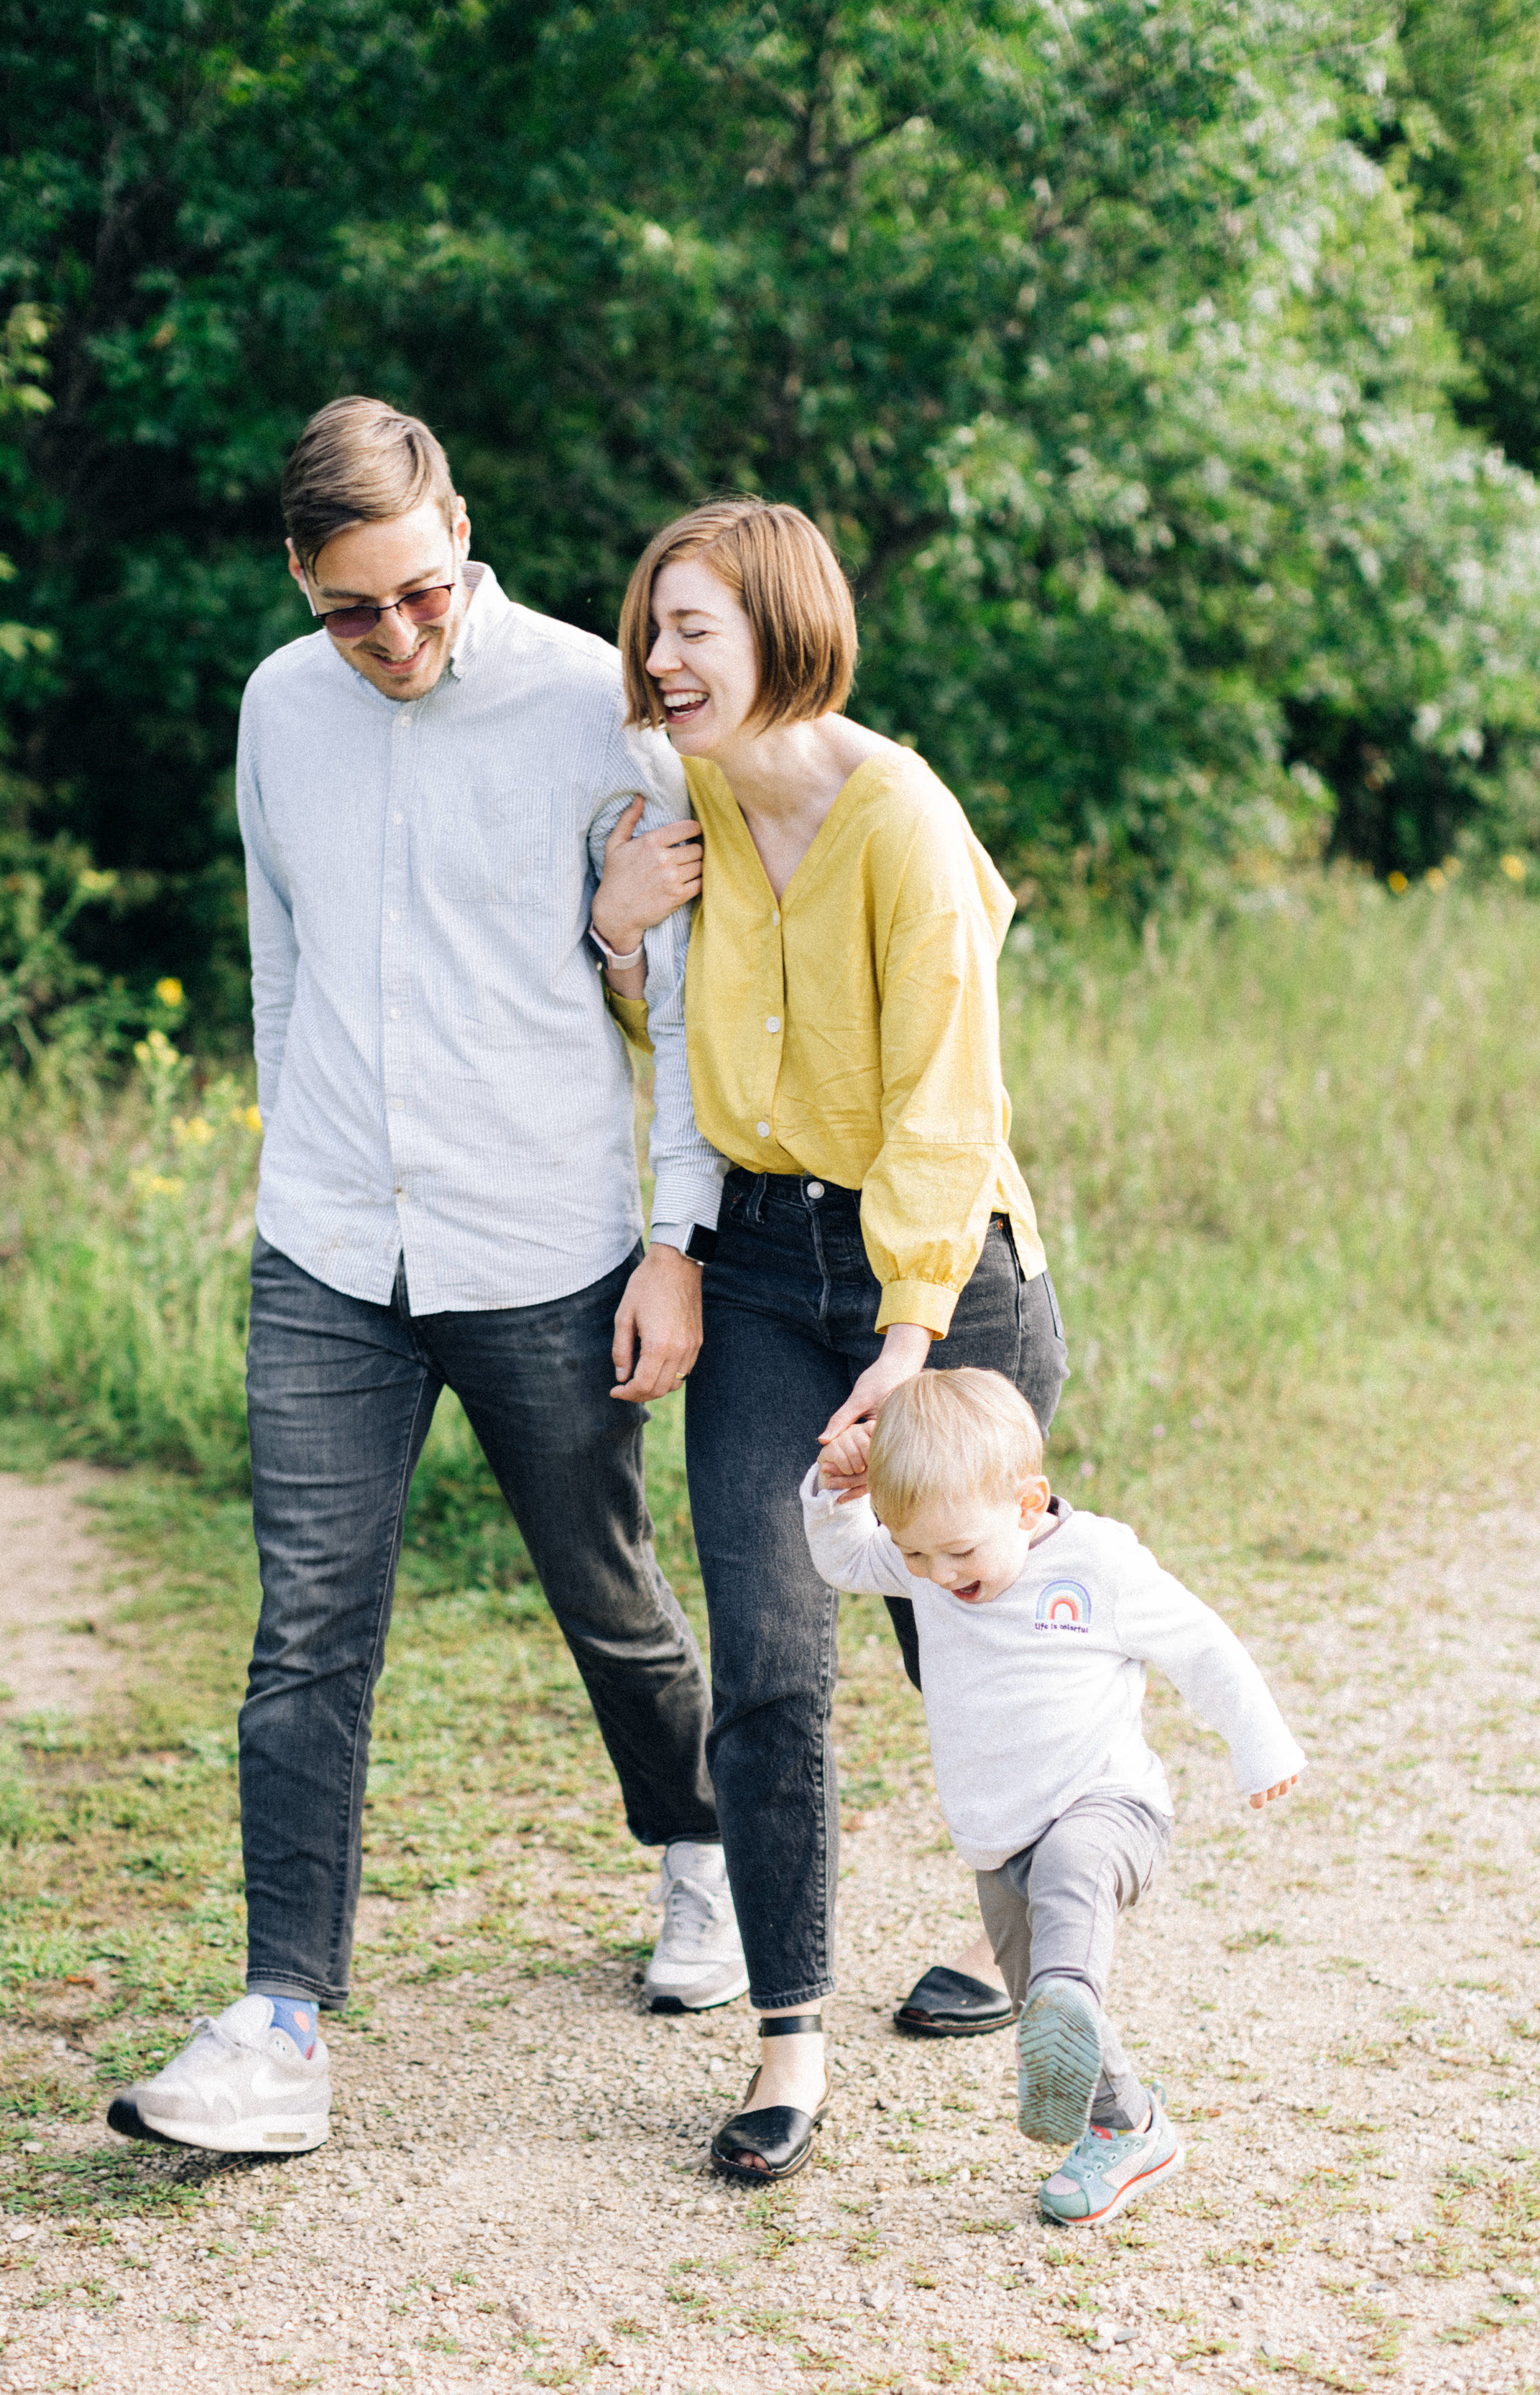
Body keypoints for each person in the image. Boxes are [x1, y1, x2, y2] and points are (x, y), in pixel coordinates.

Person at [106, 396, 747, 2158]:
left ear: (458, 524)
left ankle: (704, 1860)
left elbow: (680, 1005)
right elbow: (277, 961)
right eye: (350, 609)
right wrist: (277, 1167)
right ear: (299, 583)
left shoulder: (589, 705)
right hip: (326, 1242)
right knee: (305, 1630)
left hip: (542, 1239)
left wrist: (673, 1246)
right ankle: (281, 2022)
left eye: (420, 591)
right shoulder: (273, 708)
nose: (395, 636)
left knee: (606, 1588)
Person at [592, 498, 1069, 2182]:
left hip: (945, 1270)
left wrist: (913, 1333)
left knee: (971, 1632)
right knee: (773, 1657)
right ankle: (789, 2043)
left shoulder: (906, 822)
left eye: (693, 629)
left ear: (786, 632)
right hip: (768, 1274)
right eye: (653, 628)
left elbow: (951, 1104)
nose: (659, 659)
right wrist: (617, 933)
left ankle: (1047, 1941)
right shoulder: (683, 799)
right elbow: (693, 1055)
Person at [803, 1368, 1305, 2225]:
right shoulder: (927, 1557)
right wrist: (835, 1489)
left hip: (1109, 1807)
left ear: (1028, 1503)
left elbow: (1202, 1647)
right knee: (1031, 1982)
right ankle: (1128, 2127)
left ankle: (1068, 1992)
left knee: (1069, 1903)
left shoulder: (1096, 1561)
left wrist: (1260, 1746)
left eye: (957, 1551)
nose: (935, 1572)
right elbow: (844, 1555)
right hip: (999, 1838)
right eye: (915, 1552)